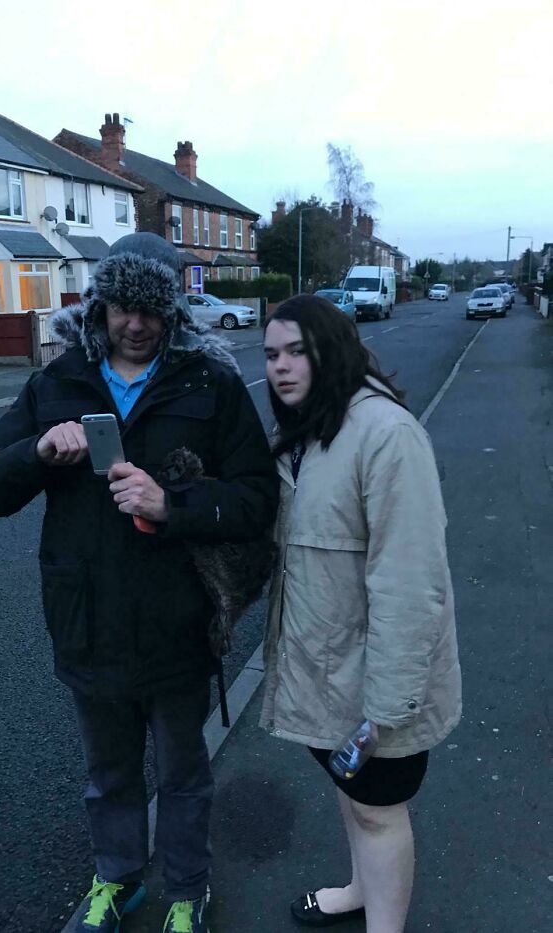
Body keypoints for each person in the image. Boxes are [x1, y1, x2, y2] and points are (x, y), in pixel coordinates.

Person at [0, 233, 278, 933]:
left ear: (172, 311)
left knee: (182, 773)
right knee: (108, 773)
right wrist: (40, 450)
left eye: (152, 309)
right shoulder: (59, 382)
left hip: (177, 622)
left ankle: (188, 890)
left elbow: (257, 499)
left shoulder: (210, 383)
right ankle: (118, 878)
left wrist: (173, 505)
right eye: (122, 307)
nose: (135, 324)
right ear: (101, 303)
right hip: (87, 618)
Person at [260, 295, 461, 932]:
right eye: (271, 355)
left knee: (379, 811)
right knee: (354, 798)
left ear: (334, 350)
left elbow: (410, 583)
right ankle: (357, 891)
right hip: (328, 674)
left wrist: (388, 708)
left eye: (298, 351)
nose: (281, 367)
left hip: (378, 683)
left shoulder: (387, 436)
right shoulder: (302, 433)